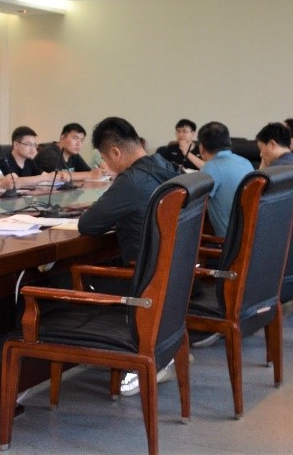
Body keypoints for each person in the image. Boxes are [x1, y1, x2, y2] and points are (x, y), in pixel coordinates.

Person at [76, 116, 181, 396]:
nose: (107, 165)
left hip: (142, 281)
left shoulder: (131, 181)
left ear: (115, 153)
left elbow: (88, 225)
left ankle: (131, 355)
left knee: (68, 276)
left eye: (105, 159)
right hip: (172, 274)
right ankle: (166, 351)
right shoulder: (165, 165)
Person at [198, 121, 254, 238]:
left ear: (202, 147)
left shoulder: (211, 167)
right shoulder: (245, 162)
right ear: (229, 142)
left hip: (226, 243)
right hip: (250, 237)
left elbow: (194, 204)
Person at [35, 122, 104, 182]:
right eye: (75, 138)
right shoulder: (49, 152)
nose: (79, 144)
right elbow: (59, 176)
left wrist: (99, 172)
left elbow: (87, 171)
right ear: (63, 137)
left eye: (82, 140)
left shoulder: (73, 154)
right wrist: (90, 174)